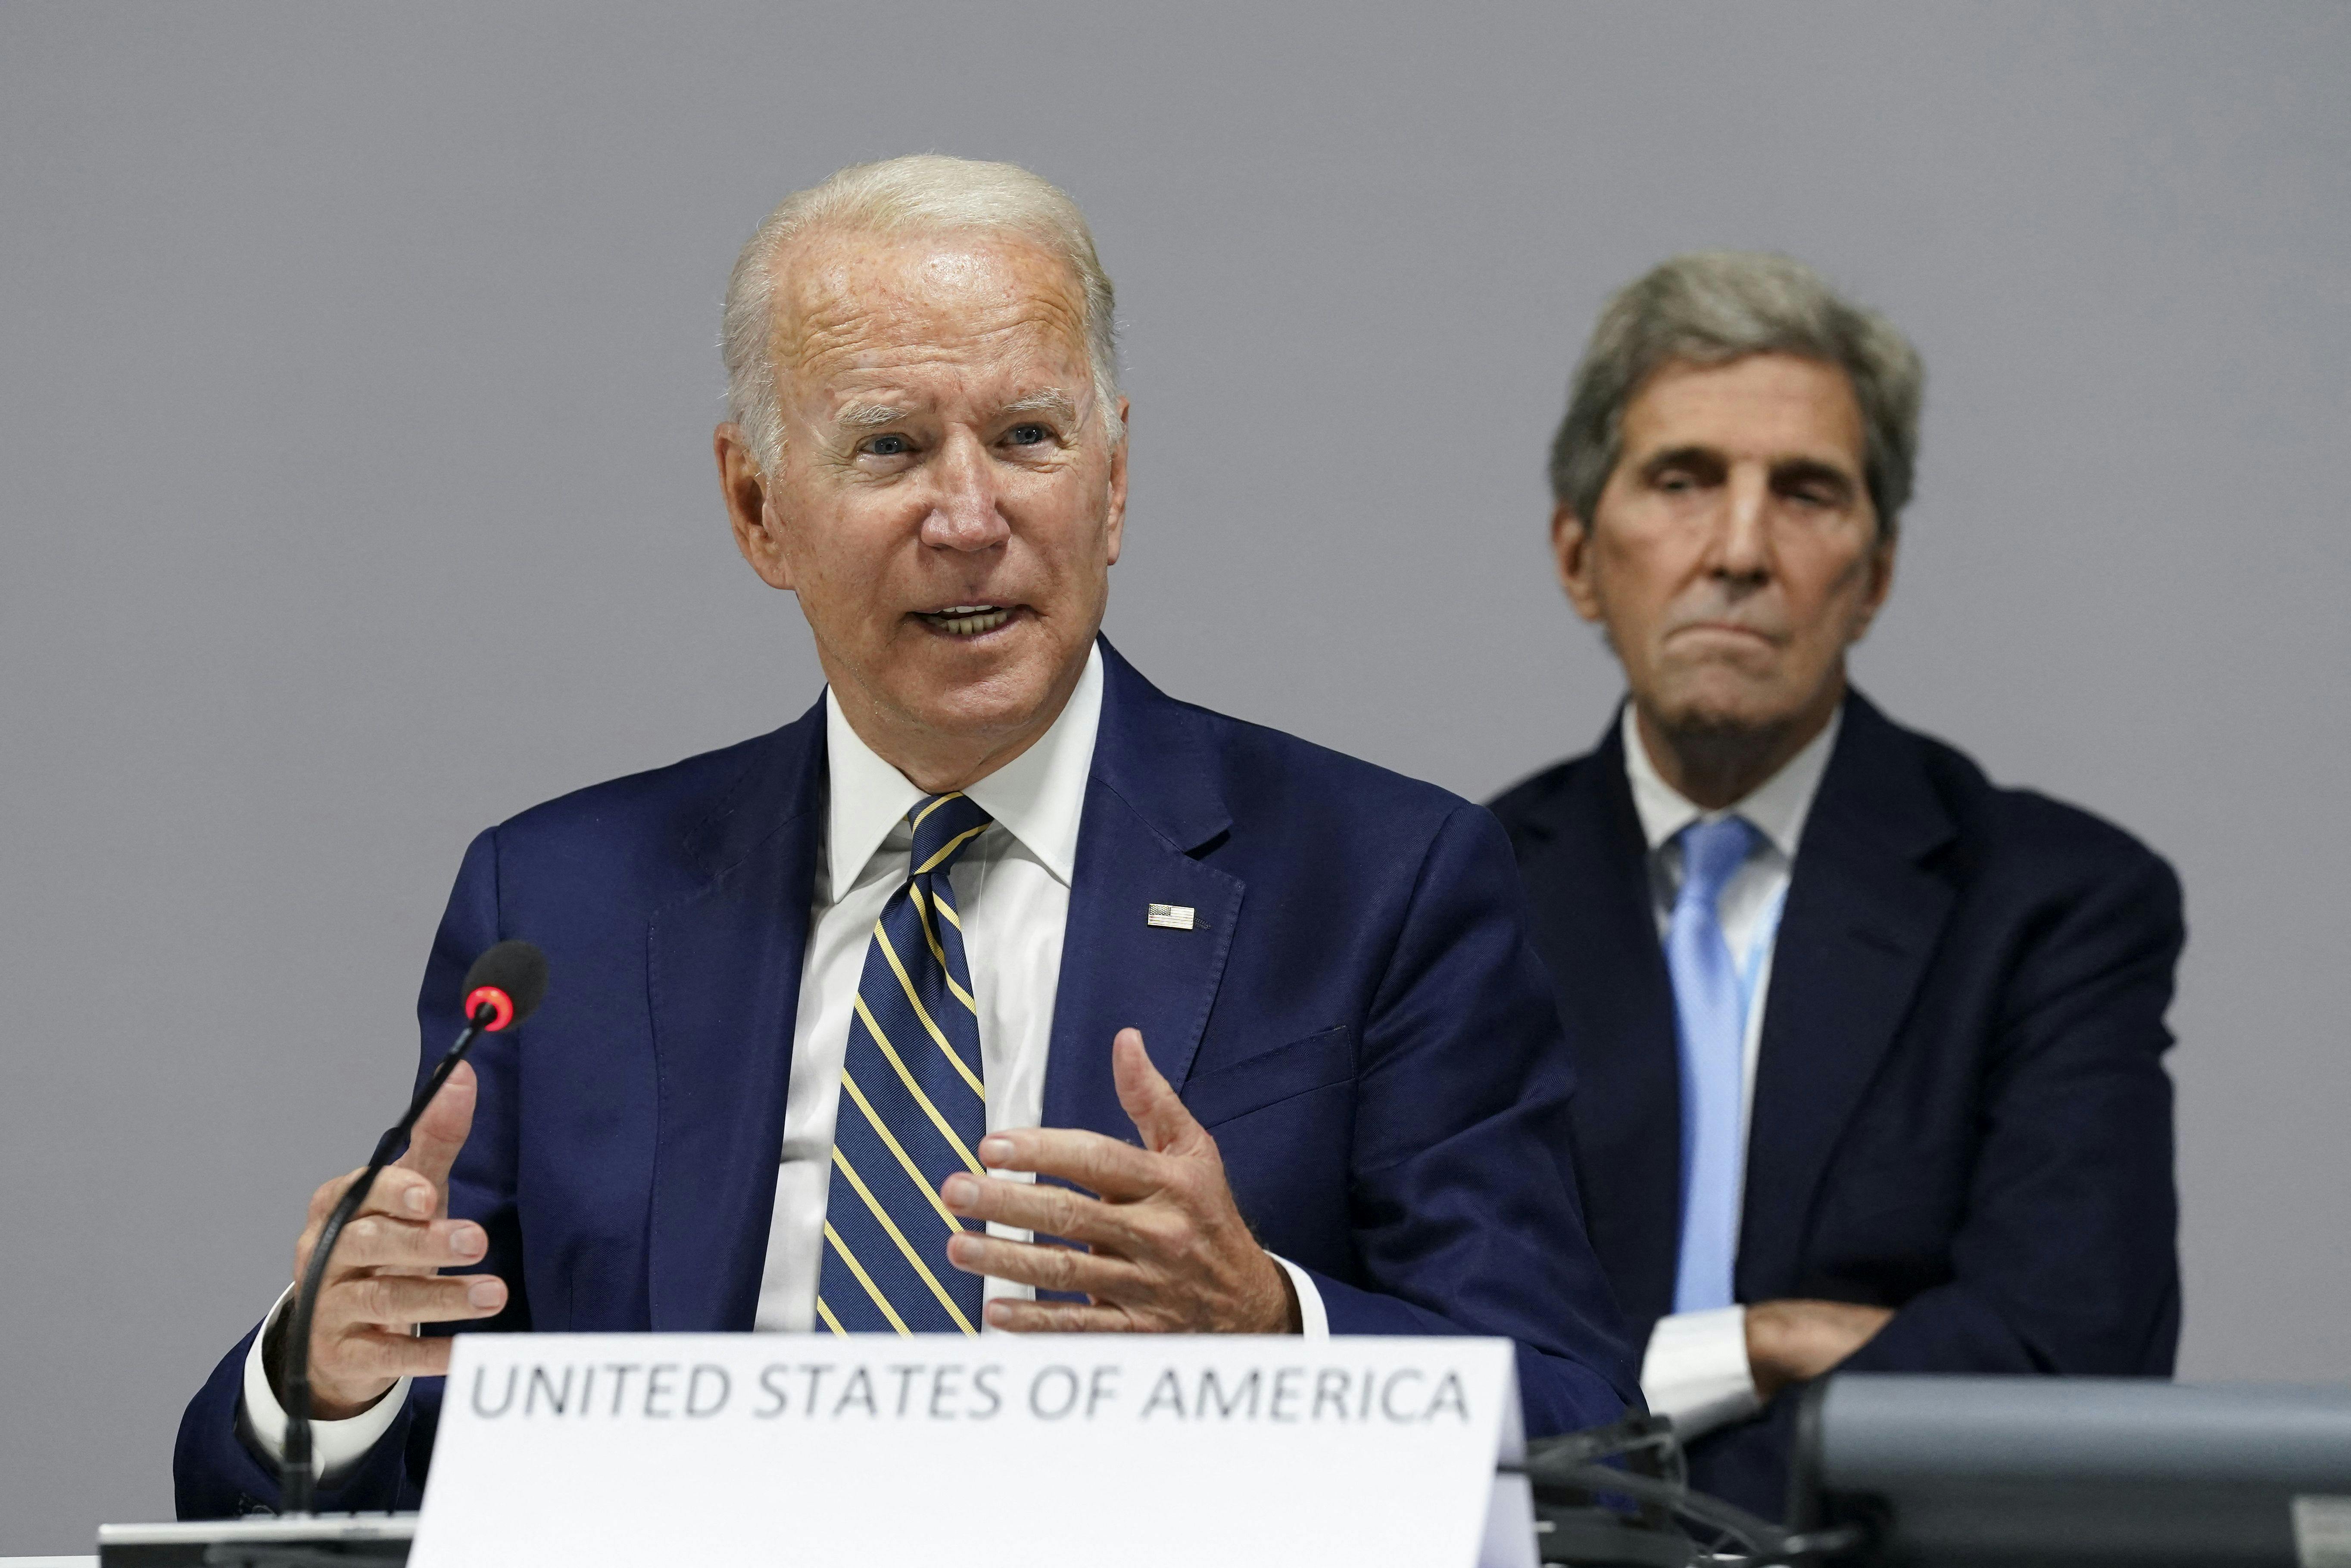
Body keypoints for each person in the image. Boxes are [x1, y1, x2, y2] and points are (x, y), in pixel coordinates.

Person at [174, 156, 1635, 1516]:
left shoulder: (1377, 884)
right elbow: (341, 1474)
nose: (968, 513)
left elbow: (1585, 1442)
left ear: (1113, 482)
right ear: (758, 507)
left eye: (1027, 438)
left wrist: (1267, 1328)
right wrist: (334, 1377)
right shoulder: (563, 903)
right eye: (888, 446)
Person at [1488, 252, 2183, 1518]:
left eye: (1806, 493)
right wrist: (1770, 1343)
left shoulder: (2056, 906)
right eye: (1684, 481)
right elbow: (1412, 1356)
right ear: (1580, 554)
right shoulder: (1452, 900)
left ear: (1874, 577)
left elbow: (2068, 1362)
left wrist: (1673, 1416)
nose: (1741, 550)